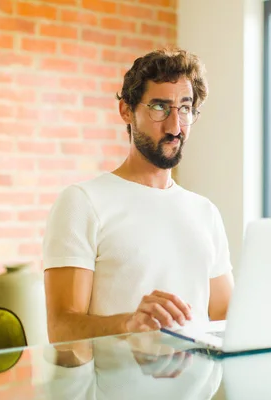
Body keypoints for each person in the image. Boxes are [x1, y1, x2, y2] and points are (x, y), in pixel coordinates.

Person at [42, 48, 235, 344]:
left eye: (185, 108)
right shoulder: (82, 202)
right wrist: (130, 324)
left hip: (198, 390)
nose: (175, 127)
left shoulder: (205, 211)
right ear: (127, 111)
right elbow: (61, 330)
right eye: (160, 107)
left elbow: (224, 316)